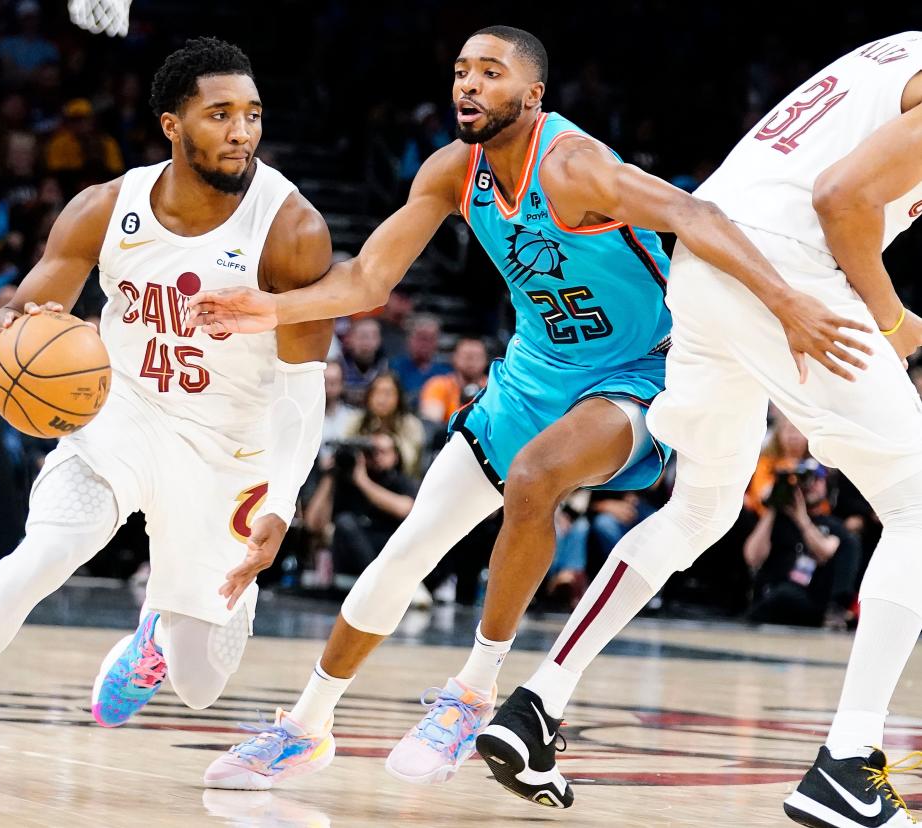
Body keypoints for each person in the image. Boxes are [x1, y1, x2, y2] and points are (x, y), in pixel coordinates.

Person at [188, 25, 860, 794]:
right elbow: (370, 278)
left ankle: (473, 693)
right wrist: (269, 308)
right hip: (534, 372)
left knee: (538, 478)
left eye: (491, 73)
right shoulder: (452, 172)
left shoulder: (576, 166)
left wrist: (788, 303)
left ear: (533, 94)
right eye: (461, 71)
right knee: (405, 552)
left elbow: (699, 216)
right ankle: (305, 726)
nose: (468, 86)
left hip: (640, 371)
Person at [0, 37, 334, 798]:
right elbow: (25, 303)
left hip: (231, 448)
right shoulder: (106, 208)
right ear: (173, 125)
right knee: (48, 551)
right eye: (220, 115)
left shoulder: (291, 228)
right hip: (124, 416)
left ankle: (155, 630)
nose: (242, 131)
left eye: (252, 114)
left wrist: (282, 501)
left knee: (201, 682)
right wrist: (21, 325)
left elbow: (305, 389)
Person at [478, 33, 922, 825]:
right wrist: (891, 319)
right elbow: (842, 198)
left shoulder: (898, 51)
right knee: (919, 502)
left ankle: (538, 702)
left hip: (711, 258)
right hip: (782, 268)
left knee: (701, 508)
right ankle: (849, 762)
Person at [744, 456, 860, 628]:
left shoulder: (832, 525)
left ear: (826, 485)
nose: (811, 485)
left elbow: (826, 550)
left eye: (817, 480)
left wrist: (802, 519)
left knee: (786, 594)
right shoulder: (777, 521)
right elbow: (752, 557)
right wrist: (773, 507)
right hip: (770, 599)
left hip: (809, 602)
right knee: (780, 595)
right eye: (805, 479)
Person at [305, 431, 417, 584]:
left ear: (396, 456)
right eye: (371, 451)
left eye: (383, 451)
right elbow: (313, 523)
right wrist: (330, 476)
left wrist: (362, 481)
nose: (376, 457)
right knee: (344, 522)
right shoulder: (347, 481)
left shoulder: (399, 481)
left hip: (385, 549)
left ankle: (377, 583)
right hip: (349, 559)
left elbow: (405, 508)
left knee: (346, 522)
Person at [346, 372, 425, 476]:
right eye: (376, 393)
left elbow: (410, 461)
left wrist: (393, 447)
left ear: (398, 397)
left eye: (388, 393)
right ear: (368, 396)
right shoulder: (357, 420)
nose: (381, 399)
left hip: (401, 481)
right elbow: (346, 447)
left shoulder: (411, 424)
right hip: (361, 477)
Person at [418, 336, 488, 424]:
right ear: (454, 358)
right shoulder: (438, 385)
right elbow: (431, 423)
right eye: (467, 356)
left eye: (477, 356)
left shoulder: (495, 388)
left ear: (486, 360)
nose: (471, 361)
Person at [388, 313, 448, 401]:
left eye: (430, 338)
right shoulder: (394, 367)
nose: (425, 344)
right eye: (421, 338)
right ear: (409, 339)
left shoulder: (446, 372)